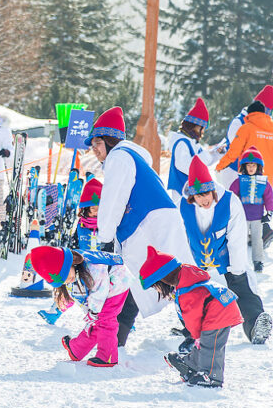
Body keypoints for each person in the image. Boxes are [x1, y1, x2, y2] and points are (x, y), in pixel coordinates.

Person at [88, 106, 194, 346]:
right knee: (137, 279)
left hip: (149, 226)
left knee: (167, 277)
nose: (93, 149)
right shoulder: (132, 158)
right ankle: (115, 337)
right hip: (155, 223)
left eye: (97, 142)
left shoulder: (119, 158)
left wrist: (104, 238)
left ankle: (196, 331)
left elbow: (113, 200)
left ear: (110, 140)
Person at [178, 156, 271, 344]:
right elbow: (182, 236)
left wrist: (236, 270)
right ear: (192, 196)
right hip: (199, 264)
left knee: (242, 291)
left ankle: (255, 326)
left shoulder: (229, 202)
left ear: (212, 189)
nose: (204, 200)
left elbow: (236, 238)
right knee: (193, 298)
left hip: (227, 262)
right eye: (198, 196)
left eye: (206, 194)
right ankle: (191, 332)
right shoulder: (184, 206)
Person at [140, 246, 242, 387]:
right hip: (219, 306)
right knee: (206, 342)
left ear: (164, 278)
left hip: (218, 312)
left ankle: (211, 376)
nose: (157, 289)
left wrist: (195, 335)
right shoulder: (189, 279)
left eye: (155, 285)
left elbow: (192, 317)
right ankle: (191, 366)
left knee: (209, 346)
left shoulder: (187, 292)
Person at [30, 245, 131, 367]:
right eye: (63, 281)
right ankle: (76, 350)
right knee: (95, 320)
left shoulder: (94, 268)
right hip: (100, 288)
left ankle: (108, 357)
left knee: (105, 318)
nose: (68, 280)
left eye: (67, 275)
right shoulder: (72, 278)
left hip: (117, 279)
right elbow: (81, 298)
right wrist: (90, 313)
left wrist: (93, 312)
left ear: (71, 263)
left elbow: (100, 290)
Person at [228, 147, 273, 272]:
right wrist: (230, 210)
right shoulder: (238, 181)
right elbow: (231, 195)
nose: (251, 168)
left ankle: (258, 261)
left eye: (254, 165)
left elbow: (269, 197)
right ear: (244, 167)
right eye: (248, 165)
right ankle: (239, 261)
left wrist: (269, 212)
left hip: (257, 217)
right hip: (241, 217)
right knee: (240, 239)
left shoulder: (264, 182)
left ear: (259, 166)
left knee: (257, 240)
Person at [167, 97, 215, 200]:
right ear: (194, 125)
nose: (203, 132)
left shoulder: (192, 142)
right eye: (202, 128)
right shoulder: (182, 142)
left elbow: (205, 161)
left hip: (193, 190)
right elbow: (184, 165)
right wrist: (205, 156)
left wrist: (217, 153)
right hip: (182, 191)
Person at [217, 100, 273, 178]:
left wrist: (220, 166)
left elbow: (234, 151)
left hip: (250, 177)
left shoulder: (246, 129)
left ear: (250, 113)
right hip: (270, 180)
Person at [76, 177, 103, 251]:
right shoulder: (80, 225)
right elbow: (75, 244)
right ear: (86, 209)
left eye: (99, 208)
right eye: (93, 208)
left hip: (103, 261)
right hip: (84, 260)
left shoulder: (106, 226)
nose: (96, 212)